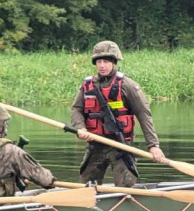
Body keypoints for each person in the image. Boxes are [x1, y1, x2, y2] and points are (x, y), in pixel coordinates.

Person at [69, 40, 166, 188]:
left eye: (106, 61)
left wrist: (153, 145)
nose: (102, 65)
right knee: (86, 186)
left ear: (114, 62)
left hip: (121, 146)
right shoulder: (87, 86)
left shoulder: (127, 85)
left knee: (126, 185)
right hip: (95, 144)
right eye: (99, 61)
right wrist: (80, 128)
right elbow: (76, 109)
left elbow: (144, 115)